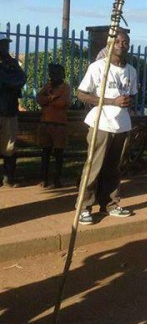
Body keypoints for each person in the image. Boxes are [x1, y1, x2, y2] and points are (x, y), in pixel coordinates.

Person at [76, 30, 137, 225]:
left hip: (122, 125)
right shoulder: (97, 67)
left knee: (114, 168)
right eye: (117, 41)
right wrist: (111, 101)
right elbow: (81, 94)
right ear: (110, 44)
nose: (121, 44)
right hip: (101, 123)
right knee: (94, 166)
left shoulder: (131, 71)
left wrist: (127, 101)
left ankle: (109, 204)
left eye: (125, 42)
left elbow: (132, 94)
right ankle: (84, 207)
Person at [36, 63, 70, 188]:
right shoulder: (47, 86)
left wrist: (49, 99)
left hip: (59, 124)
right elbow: (39, 99)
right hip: (46, 123)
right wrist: (52, 98)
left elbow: (62, 103)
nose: (54, 76)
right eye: (52, 74)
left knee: (59, 153)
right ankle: (44, 178)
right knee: (45, 152)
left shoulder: (65, 87)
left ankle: (57, 179)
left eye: (57, 73)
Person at [0, 34, 26, 188]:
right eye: (2, 45)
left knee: (9, 146)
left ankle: (8, 178)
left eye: (6, 45)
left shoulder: (12, 63)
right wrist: (11, 82)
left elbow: (22, 78)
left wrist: (9, 82)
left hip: (9, 110)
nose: (5, 47)